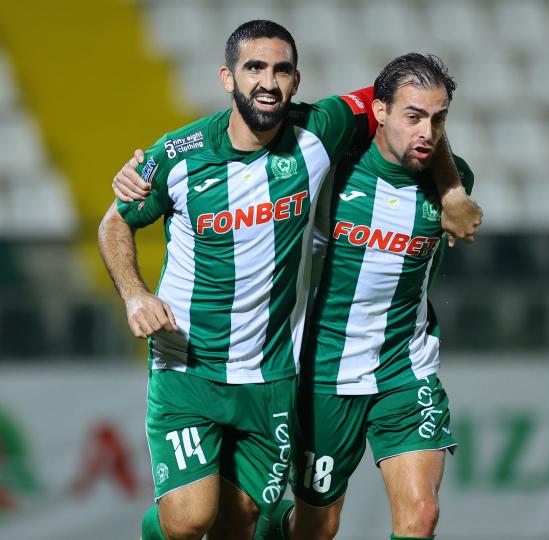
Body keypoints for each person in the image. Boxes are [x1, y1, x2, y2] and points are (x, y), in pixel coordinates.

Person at [102, 20, 481, 540]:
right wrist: (134, 295)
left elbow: (414, 105)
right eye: (254, 68)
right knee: (193, 521)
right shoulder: (180, 154)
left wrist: (453, 190)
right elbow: (115, 221)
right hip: (191, 362)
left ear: (296, 80)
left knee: (247, 519)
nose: (267, 81)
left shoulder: (318, 135)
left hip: (276, 370)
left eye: (281, 70)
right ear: (227, 77)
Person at [253, 53, 472, 540]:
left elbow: (441, 160)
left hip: (404, 367)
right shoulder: (329, 169)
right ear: (379, 112)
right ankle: (272, 528)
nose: (427, 132)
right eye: (413, 116)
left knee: (422, 514)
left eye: (438, 119)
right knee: (317, 527)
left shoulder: (450, 183)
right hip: (324, 372)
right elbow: (254, 128)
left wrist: (454, 192)